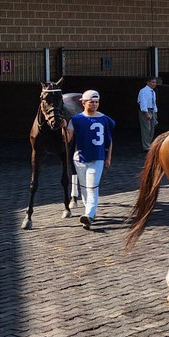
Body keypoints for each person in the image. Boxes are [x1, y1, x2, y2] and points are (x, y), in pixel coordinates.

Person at [70, 89, 114, 231]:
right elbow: (67, 139)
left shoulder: (105, 119)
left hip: (97, 157)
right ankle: (88, 211)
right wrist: (62, 128)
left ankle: (89, 214)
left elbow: (109, 141)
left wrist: (108, 157)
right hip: (80, 158)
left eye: (96, 102)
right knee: (84, 187)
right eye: (91, 101)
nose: (94, 104)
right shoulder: (76, 119)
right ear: (83, 103)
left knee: (92, 186)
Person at [137, 76, 158, 151]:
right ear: (148, 82)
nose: (154, 84)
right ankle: (146, 146)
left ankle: (149, 144)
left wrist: (155, 112)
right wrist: (146, 113)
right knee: (146, 129)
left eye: (155, 82)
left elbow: (154, 103)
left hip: (152, 110)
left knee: (152, 128)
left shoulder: (153, 92)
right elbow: (143, 102)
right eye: (152, 82)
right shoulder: (143, 91)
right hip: (146, 110)